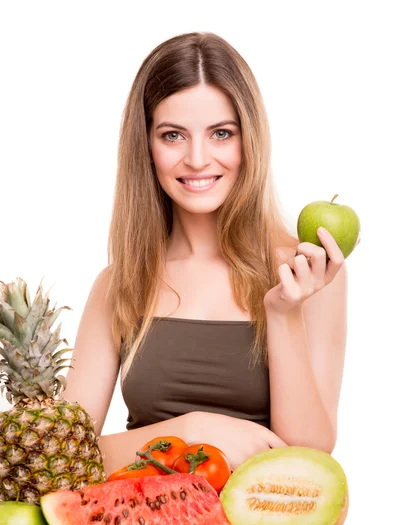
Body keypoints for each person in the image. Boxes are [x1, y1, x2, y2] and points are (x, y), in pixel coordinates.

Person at [62, 32, 353, 477]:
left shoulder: (307, 271)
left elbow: (309, 460)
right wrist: (193, 431)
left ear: (248, 140)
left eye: (221, 133)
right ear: (146, 145)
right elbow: (65, 457)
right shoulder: (118, 284)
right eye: (173, 135)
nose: (197, 159)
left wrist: (283, 312)